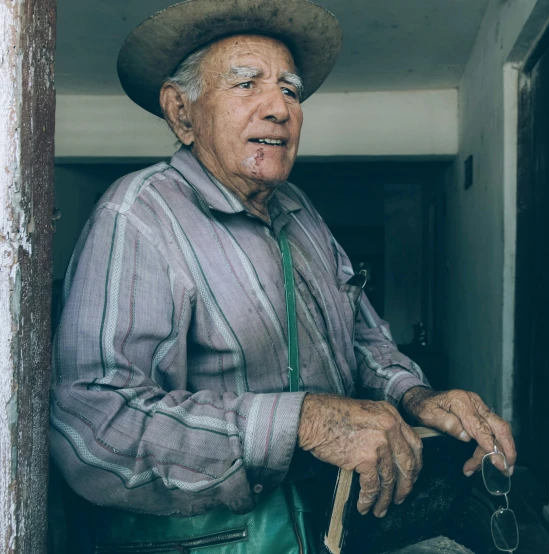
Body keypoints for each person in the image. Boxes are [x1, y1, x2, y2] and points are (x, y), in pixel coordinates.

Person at [50, 0, 516, 550]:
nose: (279, 108)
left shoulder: (299, 212)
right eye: (247, 85)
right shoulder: (137, 214)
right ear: (181, 112)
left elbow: (361, 337)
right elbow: (94, 425)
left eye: (290, 91)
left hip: (334, 529)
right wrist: (302, 422)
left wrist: (414, 395)